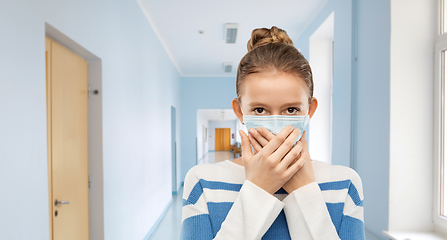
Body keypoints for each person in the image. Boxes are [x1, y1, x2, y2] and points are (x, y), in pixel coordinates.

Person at [181, 26, 364, 240]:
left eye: (291, 109)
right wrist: (258, 189)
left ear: (310, 110)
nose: (276, 125)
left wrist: (304, 193)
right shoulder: (202, 182)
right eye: (260, 110)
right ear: (240, 111)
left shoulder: (345, 183)